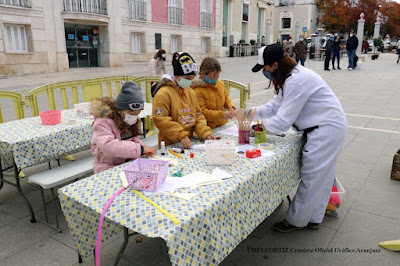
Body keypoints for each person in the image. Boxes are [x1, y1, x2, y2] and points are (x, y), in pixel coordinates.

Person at [251, 43, 347, 233]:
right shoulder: (290, 77)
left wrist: (255, 127)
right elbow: (271, 107)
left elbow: (281, 122)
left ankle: (296, 221)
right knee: (322, 178)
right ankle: (314, 218)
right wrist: (245, 114)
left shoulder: (297, 80)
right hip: (325, 127)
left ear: (275, 65)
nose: (264, 72)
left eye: (265, 68)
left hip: (325, 129)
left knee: (312, 177)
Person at [152, 52, 216, 149]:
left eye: (191, 79)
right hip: (170, 143)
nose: (189, 81)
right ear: (177, 76)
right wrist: (181, 134)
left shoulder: (190, 92)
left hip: (189, 141)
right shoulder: (163, 94)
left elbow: (198, 115)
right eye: (187, 78)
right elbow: (161, 120)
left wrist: (205, 133)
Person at [90, 82, 157, 174]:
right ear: (120, 109)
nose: (133, 117)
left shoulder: (128, 120)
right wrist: (139, 149)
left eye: (137, 114)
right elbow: (108, 146)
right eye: (131, 113)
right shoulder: (102, 122)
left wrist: (143, 147)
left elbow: (133, 138)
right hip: (106, 168)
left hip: (125, 164)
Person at [191, 57, 235, 129]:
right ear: (202, 74)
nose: (215, 78)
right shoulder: (198, 90)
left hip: (221, 125)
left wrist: (231, 107)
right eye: (212, 76)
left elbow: (226, 98)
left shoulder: (220, 83)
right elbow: (202, 112)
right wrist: (222, 115)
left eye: (217, 76)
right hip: (206, 128)